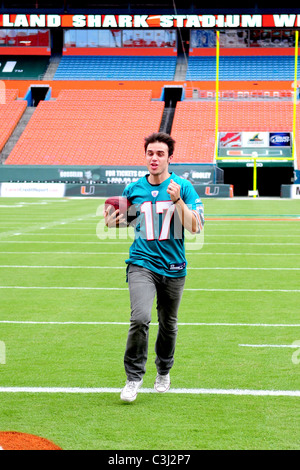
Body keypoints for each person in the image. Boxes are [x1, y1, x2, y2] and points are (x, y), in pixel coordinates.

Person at [104, 132, 204, 402]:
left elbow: (195, 227)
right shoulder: (134, 189)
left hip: (173, 266)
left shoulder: (183, 187)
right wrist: (115, 223)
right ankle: (133, 378)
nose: (154, 158)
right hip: (141, 262)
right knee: (139, 318)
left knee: (168, 325)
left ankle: (163, 370)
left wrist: (177, 201)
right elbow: (130, 221)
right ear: (145, 156)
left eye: (160, 154)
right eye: (150, 153)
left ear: (170, 158)